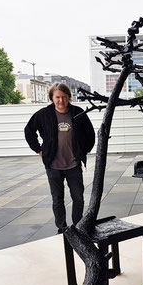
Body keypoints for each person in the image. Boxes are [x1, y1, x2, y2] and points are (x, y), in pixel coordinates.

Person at [24, 83, 95, 233]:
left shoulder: (78, 112)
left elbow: (90, 135)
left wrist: (82, 151)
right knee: (57, 199)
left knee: (78, 198)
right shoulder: (43, 114)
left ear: (69, 97)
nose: (61, 100)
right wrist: (39, 150)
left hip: (73, 164)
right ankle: (62, 228)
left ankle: (78, 227)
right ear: (51, 98)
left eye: (64, 97)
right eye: (57, 97)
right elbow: (29, 131)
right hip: (53, 165)